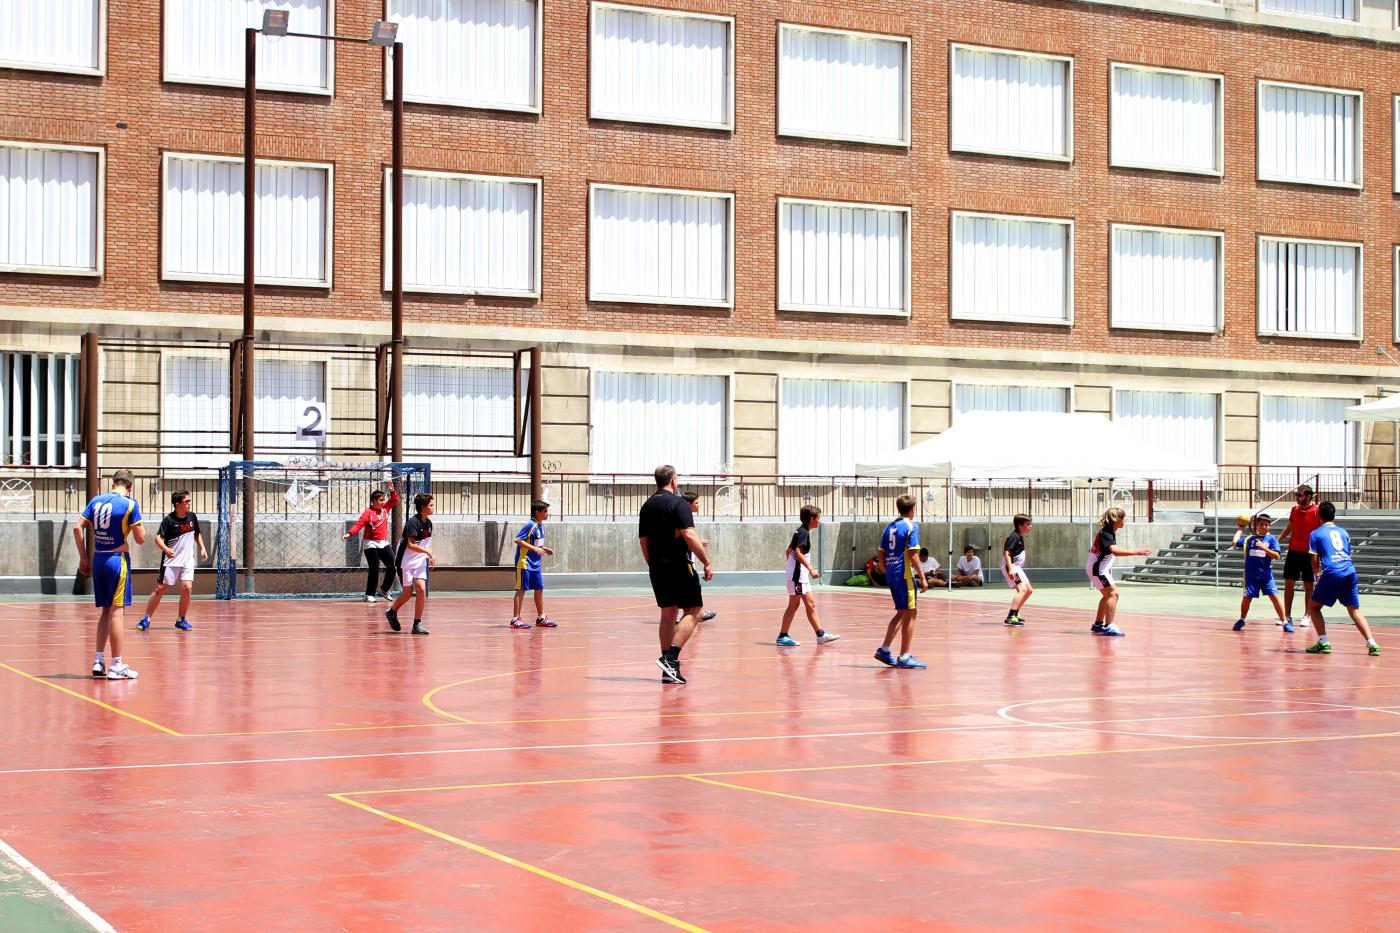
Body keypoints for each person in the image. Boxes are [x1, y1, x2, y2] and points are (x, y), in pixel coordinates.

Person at [639, 465, 713, 685]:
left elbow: (644, 541)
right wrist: (706, 562)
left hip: (657, 566)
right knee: (695, 611)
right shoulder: (678, 503)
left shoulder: (647, 505)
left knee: (668, 614)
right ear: (673, 480)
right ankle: (670, 658)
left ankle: (667, 670)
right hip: (678, 565)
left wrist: (652, 564)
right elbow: (689, 534)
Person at [72, 469, 146, 680]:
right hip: (116, 560)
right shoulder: (130, 504)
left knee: (105, 611)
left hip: (98, 559)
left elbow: (77, 528)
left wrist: (83, 557)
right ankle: (116, 664)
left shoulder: (96, 501)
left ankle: (98, 660)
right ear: (130, 486)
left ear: (113, 483)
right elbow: (140, 538)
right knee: (117, 612)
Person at [1304, 501, 1380, 656]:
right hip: (1349, 571)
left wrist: (1317, 574)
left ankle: (1323, 642)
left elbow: (1314, 559)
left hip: (1332, 572)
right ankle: (1372, 643)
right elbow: (1346, 552)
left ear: (1318, 515)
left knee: (1313, 606)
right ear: (1334, 515)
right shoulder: (1343, 532)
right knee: (1354, 609)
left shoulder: (1315, 533)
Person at [137, 490, 207, 632]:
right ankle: (146, 618)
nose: (189, 504)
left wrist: (202, 548)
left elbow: (197, 534)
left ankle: (181, 619)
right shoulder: (169, 520)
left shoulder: (192, 517)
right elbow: (158, 538)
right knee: (160, 589)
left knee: (187, 587)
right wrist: (166, 549)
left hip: (187, 560)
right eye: (186, 501)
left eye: (189, 501)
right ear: (177, 504)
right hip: (171, 561)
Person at [874, 494, 928, 669]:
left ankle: (884, 649)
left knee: (902, 612)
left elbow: (880, 554)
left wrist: (887, 571)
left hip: (892, 573)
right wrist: (923, 577)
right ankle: (904, 655)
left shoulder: (889, 527)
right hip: (904, 575)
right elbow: (913, 554)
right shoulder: (911, 526)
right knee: (911, 612)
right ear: (913, 509)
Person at [776, 505, 839, 647]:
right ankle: (782, 636)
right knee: (793, 605)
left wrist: (792, 567)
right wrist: (810, 569)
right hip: (798, 576)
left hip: (799, 576)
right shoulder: (803, 533)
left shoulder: (800, 531)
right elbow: (798, 552)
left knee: (811, 604)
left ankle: (820, 634)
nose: (820, 521)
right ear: (811, 519)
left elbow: (788, 550)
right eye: (818, 518)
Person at [1087, 507, 1153, 636]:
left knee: (1108, 595)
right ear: (1116, 520)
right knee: (1114, 594)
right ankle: (1108, 626)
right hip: (1098, 570)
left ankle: (1098, 624)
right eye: (1123, 518)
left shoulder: (1108, 532)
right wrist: (1137, 552)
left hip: (1097, 568)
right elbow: (1115, 551)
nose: (1125, 521)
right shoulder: (1107, 533)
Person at [1229, 513, 1288, 632]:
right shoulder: (1249, 539)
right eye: (1261, 524)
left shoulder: (1272, 540)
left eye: (1266, 525)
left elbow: (1276, 556)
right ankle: (1242, 619)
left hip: (1266, 576)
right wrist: (1241, 528)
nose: (1264, 526)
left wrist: (1263, 547)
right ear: (1257, 525)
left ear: (1269, 526)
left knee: (1274, 597)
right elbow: (1234, 542)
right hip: (1251, 576)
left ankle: (1285, 622)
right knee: (1247, 598)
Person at [385, 493, 434, 636]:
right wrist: (429, 552)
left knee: (421, 589)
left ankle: (417, 624)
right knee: (407, 594)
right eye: (431, 505)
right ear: (423, 507)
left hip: (419, 562)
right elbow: (411, 545)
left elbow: (424, 544)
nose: (433, 508)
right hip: (404, 562)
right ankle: (392, 612)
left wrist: (429, 555)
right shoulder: (413, 522)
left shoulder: (429, 524)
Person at [343, 482, 399, 603]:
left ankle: (384, 589)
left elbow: (394, 500)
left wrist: (392, 490)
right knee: (374, 567)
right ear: (374, 501)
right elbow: (359, 524)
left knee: (393, 565)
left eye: (384, 499)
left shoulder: (385, 509)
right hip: (370, 543)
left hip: (383, 542)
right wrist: (349, 533)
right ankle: (369, 594)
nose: (383, 502)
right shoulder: (368, 512)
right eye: (381, 500)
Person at [1276, 485, 1321, 628]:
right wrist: (1276, 541)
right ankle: (1287, 616)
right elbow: (1289, 527)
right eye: (1296, 495)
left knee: (1308, 586)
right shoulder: (1294, 510)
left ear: (1308, 496)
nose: (1297, 497)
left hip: (1309, 553)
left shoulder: (1317, 511)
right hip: (1293, 552)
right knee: (1289, 584)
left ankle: (1307, 616)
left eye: (1300, 495)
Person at [510, 500, 556, 629]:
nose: (547, 514)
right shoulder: (531, 525)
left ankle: (541, 617)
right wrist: (535, 549)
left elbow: (533, 543)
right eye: (545, 511)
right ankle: (515, 619)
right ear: (537, 512)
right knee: (521, 589)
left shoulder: (540, 525)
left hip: (536, 564)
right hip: (524, 563)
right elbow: (518, 539)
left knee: (539, 588)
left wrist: (543, 548)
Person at [679, 492, 717, 623]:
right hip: (683, 561)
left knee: (690, 587)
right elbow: (685, 538)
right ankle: (695, 613)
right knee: (689, 587)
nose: (699, 505)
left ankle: (697, 612)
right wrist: (698, 544)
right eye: (696, 503)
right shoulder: (681, 516)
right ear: (688, 504)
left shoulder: (685, 516)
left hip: (688, 559)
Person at [1002, 514, 1033, 626]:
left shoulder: (1019, 536)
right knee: (1022, 590)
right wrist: (1010, 569)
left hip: (1017, 568)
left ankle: (1015, 614)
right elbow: (1007, 553)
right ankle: (1010, 617)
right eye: (1028, 524)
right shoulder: (1014, 536)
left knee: (1029, 590)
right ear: (1020, 525)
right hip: (1012, 567)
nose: (1030, 526)